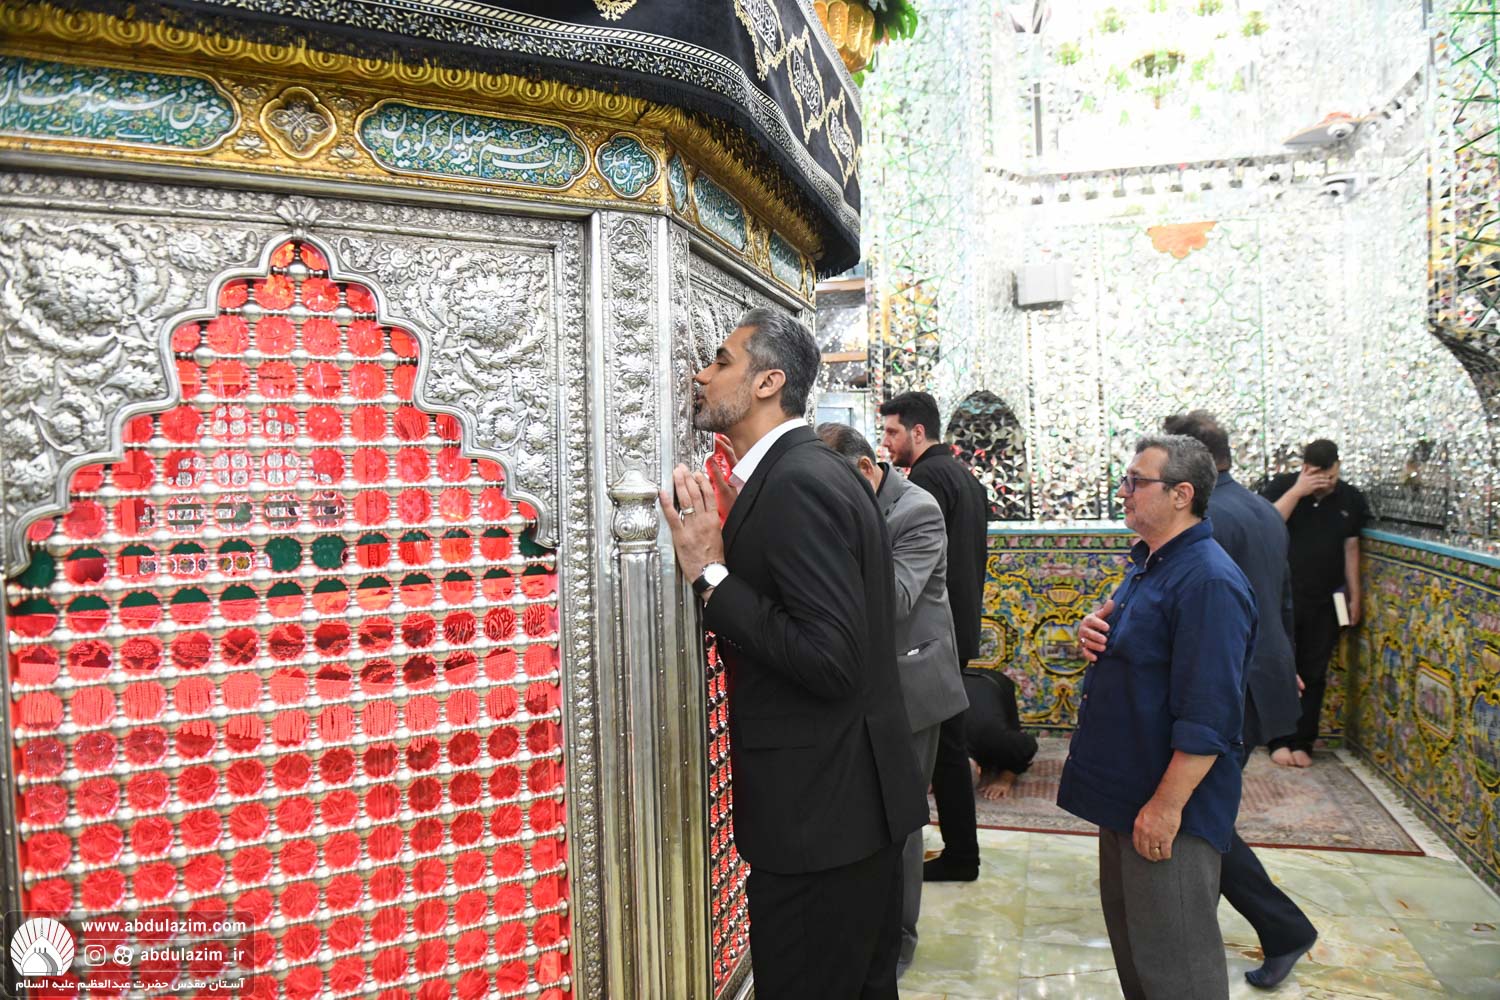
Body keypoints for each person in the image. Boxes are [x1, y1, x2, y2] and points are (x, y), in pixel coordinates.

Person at [659, 309, 927, 999]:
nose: (701, 375)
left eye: (721, 361)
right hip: (846, 808)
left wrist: (710, 575)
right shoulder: (801, 473)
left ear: (767, 382)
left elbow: (831, 657)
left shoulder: (797, 482)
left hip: (821, 819)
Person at [1059, 435, 1254, 1000]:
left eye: (1136, 481)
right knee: (1139, 955)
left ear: (1181, 494)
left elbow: (1209, 715)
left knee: (1177, 968)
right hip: (1128, 794)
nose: (1123, 492)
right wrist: (1095, 633)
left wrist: (1166, 808)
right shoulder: (1151, 563)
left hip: (1167, 806)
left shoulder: (1208, 581)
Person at [1154, 412, 1319, 988]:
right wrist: (1286, 663)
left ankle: (1284, 928)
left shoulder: (1208, 519)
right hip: (1260, 677)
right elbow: (1280, 600)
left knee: (1197, 810)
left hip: (1230, 685)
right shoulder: (1262, 510)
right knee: (1203, 809)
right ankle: (1273, 926)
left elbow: (1206, 614)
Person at [814, 422, 970, 978]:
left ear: (864, 469)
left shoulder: (917, 510)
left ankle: (900, 936)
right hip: (861, 687)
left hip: (911, 685)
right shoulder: (853, 503)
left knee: (901, 821)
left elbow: (895, 599)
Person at [879, 391, 989, 883]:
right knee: (948, 750)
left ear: (918, 432)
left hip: (928, 639)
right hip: (954, 632)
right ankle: (961, 851)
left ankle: (959, 855)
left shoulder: (923, 483)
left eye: (893, 431)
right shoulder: (965, 476)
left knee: (940, 754)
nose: (887, 443)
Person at [1259, 439, 1372, 767]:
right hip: (1283, 597)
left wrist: (1355, 596)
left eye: (1330, 475)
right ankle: (1277, 738)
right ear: (1306, 468)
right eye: (1317, 474)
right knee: (1283, 666)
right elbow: (1267, 526)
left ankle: (1303, 741)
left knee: (1315, 670)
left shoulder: (1350, 498)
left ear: (1338, 467)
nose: (1325, 482)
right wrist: (1298, 491)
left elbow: (1351, 549)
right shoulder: (1282, 487)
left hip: (1327, 599)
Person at [961, 668, 1038, 800]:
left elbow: (1030, 745)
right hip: (960, 680)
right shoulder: (936, 740)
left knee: (1009, 736)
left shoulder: (997, 739)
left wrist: (1005, 779)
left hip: (996, 682)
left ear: (979, 769)